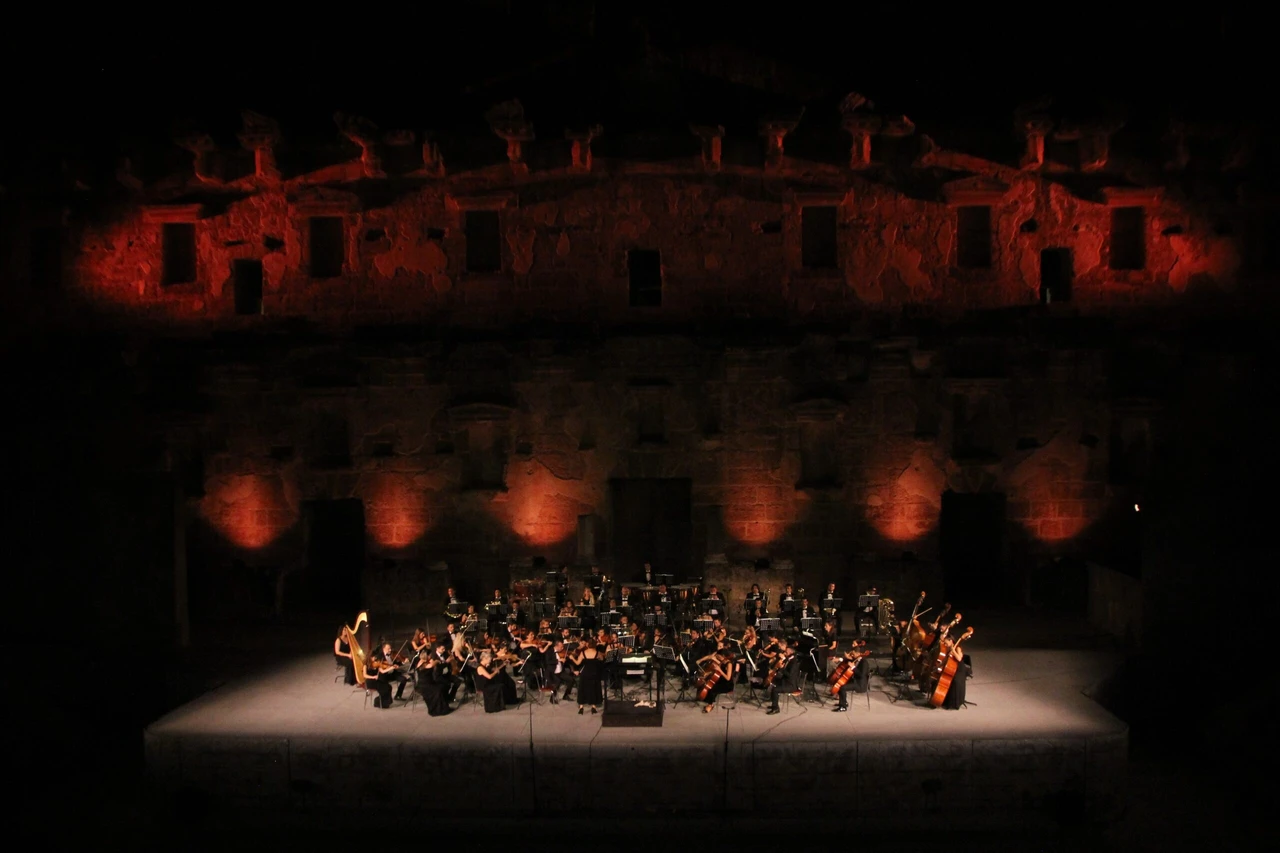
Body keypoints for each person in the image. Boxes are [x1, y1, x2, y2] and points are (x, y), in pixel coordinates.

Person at [414, 642, 452, 716]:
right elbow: (431, 665)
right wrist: (437, 661)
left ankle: (444, 707)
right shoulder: (423, 663)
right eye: (430, 656)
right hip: (424, 685)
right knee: (437, 691)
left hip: (430, 682)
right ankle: (437, 709)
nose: (431, 657)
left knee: (442, 687)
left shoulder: (425, 661)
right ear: (427, 656)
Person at [765, 639, 801, 715]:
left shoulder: (794, 662)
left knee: (775, 689)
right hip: (785, 681)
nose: (785, 652)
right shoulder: (788, 659)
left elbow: (789, 675)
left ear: (791, 652)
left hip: (791, 685)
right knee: (772, 684)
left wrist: (781, 668)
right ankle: (774, 704)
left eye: (786, 651)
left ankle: (776, 708)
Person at [697, 644, 736, 713]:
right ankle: (708, 700)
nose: (717, 657)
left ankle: (710, 705)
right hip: (721, 681)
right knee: (709, 686)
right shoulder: (722, 662)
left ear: (723, 656)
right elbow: (715, 671)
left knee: (713, 689)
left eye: (718, 656)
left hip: (727, 685)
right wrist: (707, 674)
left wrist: (720, 670)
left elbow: (728, 678)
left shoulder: (729, 664)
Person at [570, 641, 604, 714]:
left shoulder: (583, 653)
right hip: (594, 673)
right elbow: (602, 660)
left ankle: (581, 707)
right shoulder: (597, 653)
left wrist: (572, 658)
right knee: (594, 688)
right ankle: (593, 707)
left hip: (585, 673)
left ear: (588, 645)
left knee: (583, 689)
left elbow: (577, 663)